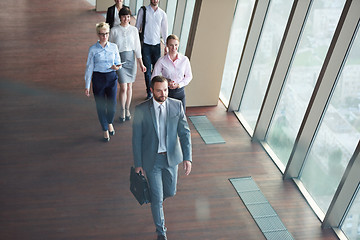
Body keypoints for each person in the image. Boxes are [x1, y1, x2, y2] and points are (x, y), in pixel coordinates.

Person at [132, 76, 192, 240]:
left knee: (170, 191)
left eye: (165, 90)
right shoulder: (141, 110)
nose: (163, 93)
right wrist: (138, 164)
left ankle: (155, 199)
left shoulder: (177, 106)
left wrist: (188, 158)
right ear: (152, 90)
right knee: (158, 199)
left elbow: (185, 133)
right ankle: (161, 232)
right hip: (152, 160)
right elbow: (136, 138)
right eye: (159, 90)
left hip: (171, 158)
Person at [85, 22, 121, 142]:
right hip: (98, 79)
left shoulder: (114, 47)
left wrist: (117, 67)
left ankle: (109, 121)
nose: (104, 36)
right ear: (98, 34)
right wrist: (87, 85)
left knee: (113, 105)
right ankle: (105, 128)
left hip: (111, 78)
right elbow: (89, 67)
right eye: (101, 34)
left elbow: (118, 63)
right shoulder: (93, 49)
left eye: (106, 34)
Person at [109, 7, 147, 122]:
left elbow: (137, 48)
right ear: (120, 17)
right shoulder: (114, 30)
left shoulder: (134, 30)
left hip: (131, 60)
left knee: (130, 86)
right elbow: (110, 48)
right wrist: (112, 63)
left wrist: (141, 64)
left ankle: (127, 109)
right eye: (124, 16)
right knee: (123, 87)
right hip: (119, 60)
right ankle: (122, 110)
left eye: (128, 16)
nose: (126, 18)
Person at [135, 0, 168, 100]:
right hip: (145, 45)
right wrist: (135, 43)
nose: (155, 0)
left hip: (157, 46)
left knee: (157, 70)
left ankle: (156, 89)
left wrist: (166, 45)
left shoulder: (162, 13)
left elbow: (164, 30)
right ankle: (149, 91)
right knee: (147, 70)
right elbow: (137, 27)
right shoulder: (143, 10)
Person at [151, 34, 193, 111]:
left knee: (181, 117)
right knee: (166, 117)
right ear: (167, 45)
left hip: (180, 93)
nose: (174, 48)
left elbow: (189, 76)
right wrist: (166, 82)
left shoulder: (184, 60)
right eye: (171, 45)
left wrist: (179, 84)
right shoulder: (161, 61)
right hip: (166, 94)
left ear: (179, 44)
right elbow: (154, 77)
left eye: (176, 45)